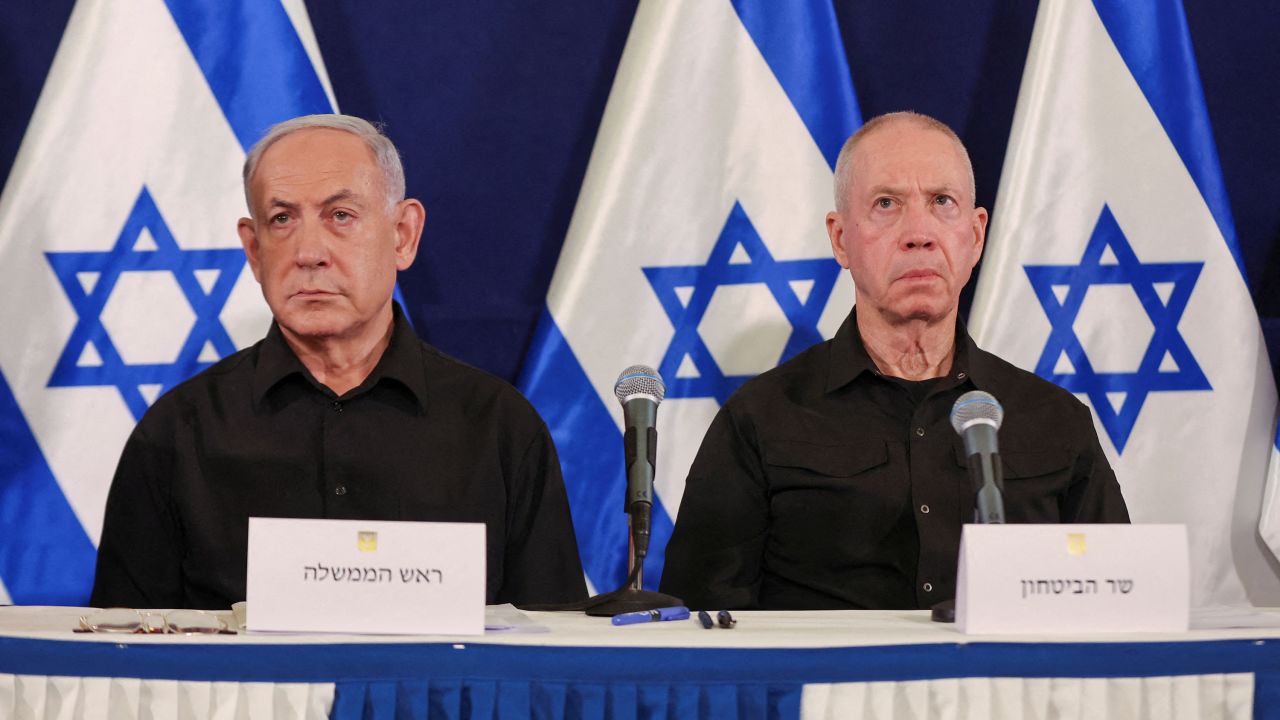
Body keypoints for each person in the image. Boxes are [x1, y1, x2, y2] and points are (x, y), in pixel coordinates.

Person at [90, 114, 587, 610]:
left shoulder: (498, 428)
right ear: (254, 249)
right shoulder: (178, 434)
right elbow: (123, 662)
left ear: (403, 235)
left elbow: (554, 653)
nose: (309, 252)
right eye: (282, 219)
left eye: (340, 216)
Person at [660, 112, 1129, 611]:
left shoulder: (1055, 420)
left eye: (941, 203)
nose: (919, 233)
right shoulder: (759, 418)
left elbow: (1116, 603)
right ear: (841, 239)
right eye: (887, 204)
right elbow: (700, 625)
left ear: (976, 235)